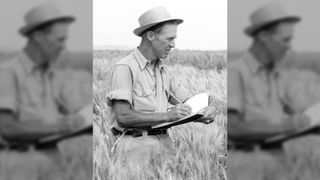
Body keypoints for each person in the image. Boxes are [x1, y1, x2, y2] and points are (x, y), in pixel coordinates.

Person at [107, 6, 217, 164]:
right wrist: (167, 116)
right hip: (135, 148)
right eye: (169, 38)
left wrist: (207, 109)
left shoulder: (165, 71)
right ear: (150, 35)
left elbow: (189, 101)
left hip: (165, 145)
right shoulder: (125, 68)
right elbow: (123, 117)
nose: (173, 45)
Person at [0, 2, 87, 179]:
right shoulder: (8, 73)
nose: (64, 47)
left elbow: (77, 110)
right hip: (20, 165)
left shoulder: (53, 76)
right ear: (38, 36)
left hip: (53, 160)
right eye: (59, 40)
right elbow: (7, 128)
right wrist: (60, 126)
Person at [227, 3, 310, 180]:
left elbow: (305, 111)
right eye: (285, 40)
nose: (289, 47)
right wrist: (286, 126)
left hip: (279, 161)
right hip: (245, 165)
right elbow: (232, 128)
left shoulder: (279, 76)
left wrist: (312, 122)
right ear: (263, 36)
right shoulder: (236, 73)